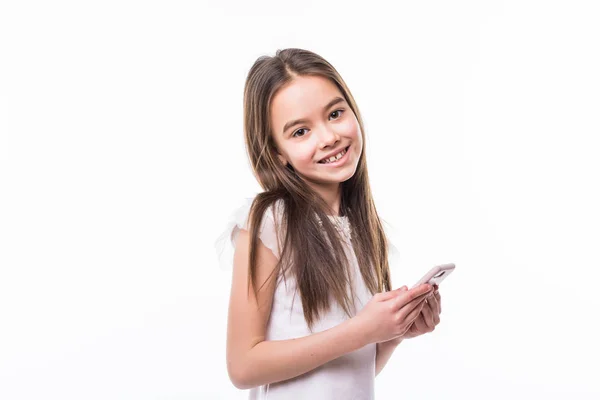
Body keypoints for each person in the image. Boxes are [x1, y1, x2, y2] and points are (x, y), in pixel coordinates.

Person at [214, 48, 442, 399]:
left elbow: (346, 370)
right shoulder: (270, 221)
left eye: (335, 114)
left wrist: (391, 334)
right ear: (278, 154)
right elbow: (243, 366)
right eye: (301, 131)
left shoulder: (363, 229)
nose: (328, 137)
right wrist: (362, 331)